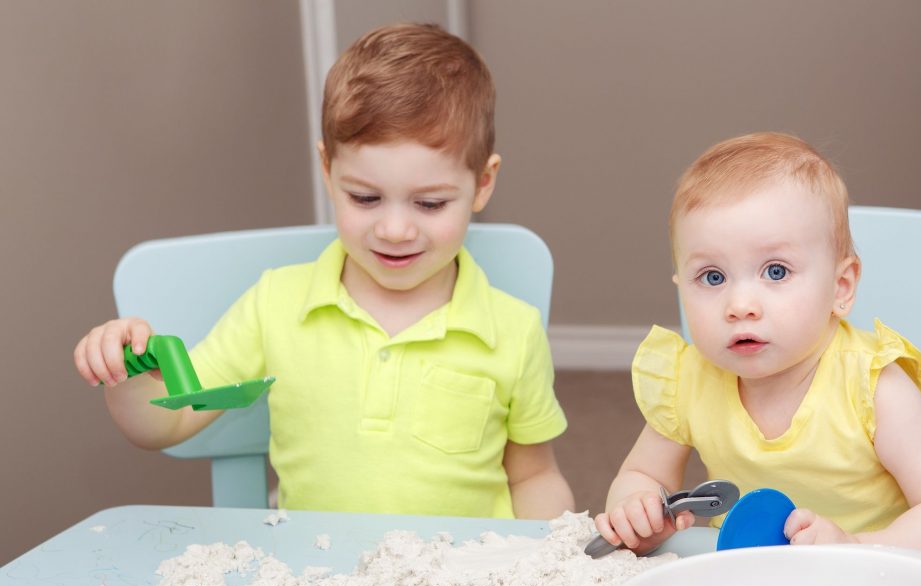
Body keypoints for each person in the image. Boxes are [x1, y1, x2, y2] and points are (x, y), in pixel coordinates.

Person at [72, 23, 574, 520]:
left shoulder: (512, 329)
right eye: (365, 197)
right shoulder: (276, 303)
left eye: (429, 203)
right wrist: (129, 377)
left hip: (460, 585)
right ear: (328, 169)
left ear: (482, 183)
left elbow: (533, 475)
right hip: (319, 581)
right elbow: (170, 420)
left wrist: (545, 554)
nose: (395, 229)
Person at [593, 132, 921, 560]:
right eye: (712, 277)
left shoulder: (872, 387)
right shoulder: (689, 378)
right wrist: (639, 510)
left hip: (867, 581)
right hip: (744, 583)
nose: (739, 306)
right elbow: (642, 474)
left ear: (840, 287)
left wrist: (857, 546)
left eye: (776, 272)